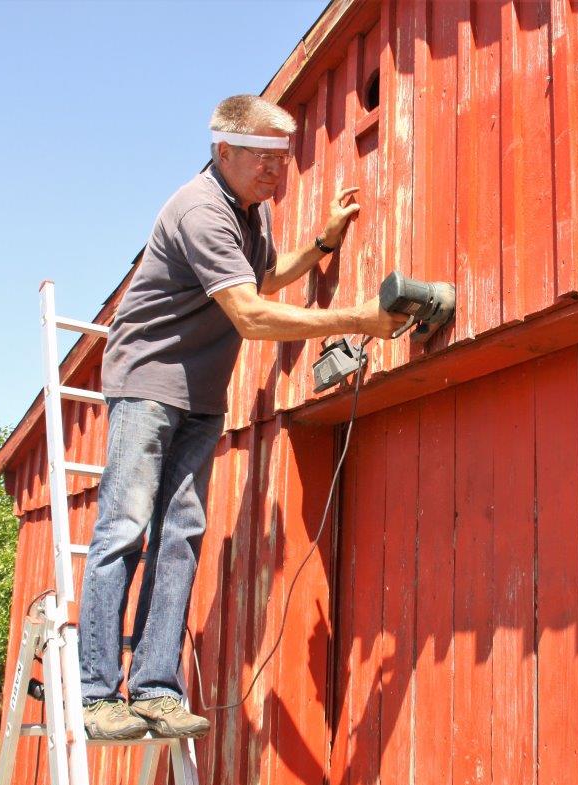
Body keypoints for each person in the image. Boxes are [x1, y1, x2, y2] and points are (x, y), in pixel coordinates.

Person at [78, 94, 408, 740]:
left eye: (282, 161)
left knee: (180, 535)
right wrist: (360, 319)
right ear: (223, 151)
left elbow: (262, 278)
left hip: (200, 396)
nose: (274, 173)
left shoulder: (250, 219)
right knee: (124, 527)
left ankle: (152, 688)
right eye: (261, 159)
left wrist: (320, 246)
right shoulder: (201, 211)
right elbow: (252, 315)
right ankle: (95, 693)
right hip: (147, 385)